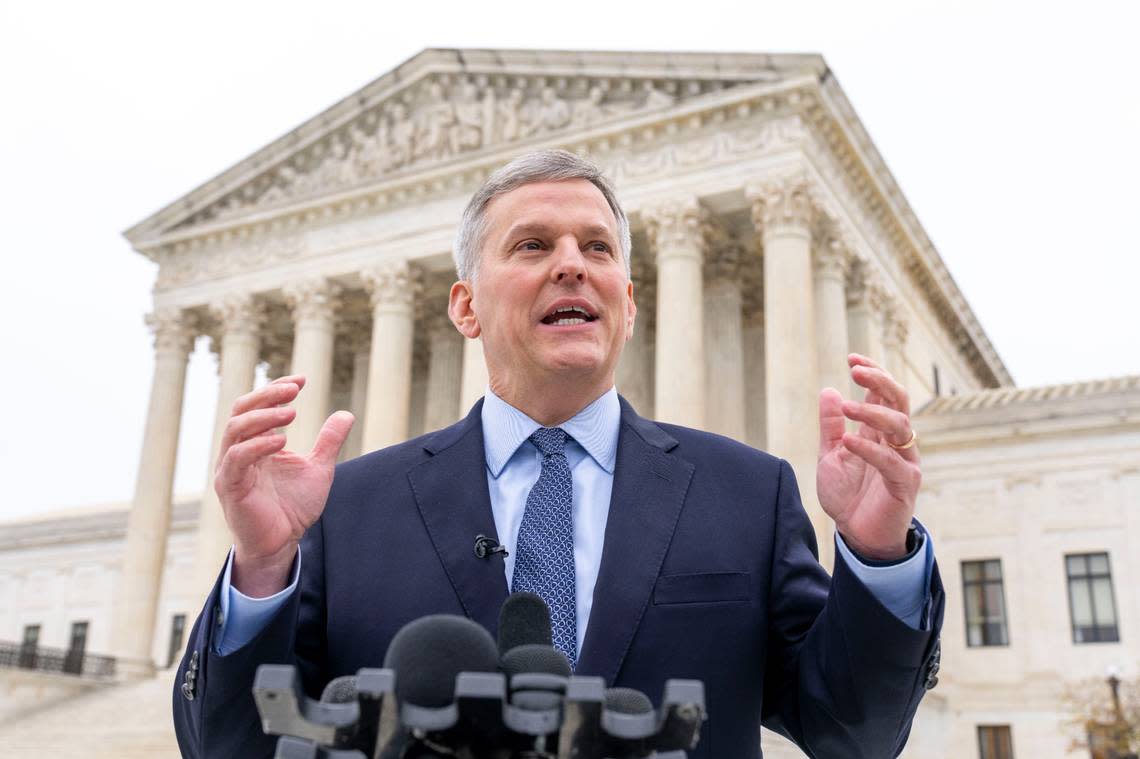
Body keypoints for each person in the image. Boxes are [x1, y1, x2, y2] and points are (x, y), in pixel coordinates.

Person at [172, 149, 943, 758]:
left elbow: (855, 734)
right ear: (466, 305)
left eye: (597, 247)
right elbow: (229, 746)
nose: (571, 262)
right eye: (534, 244)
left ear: (629, 303)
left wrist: (877, 554)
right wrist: (265, 567)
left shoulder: (745, 494)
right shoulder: (351, 506)